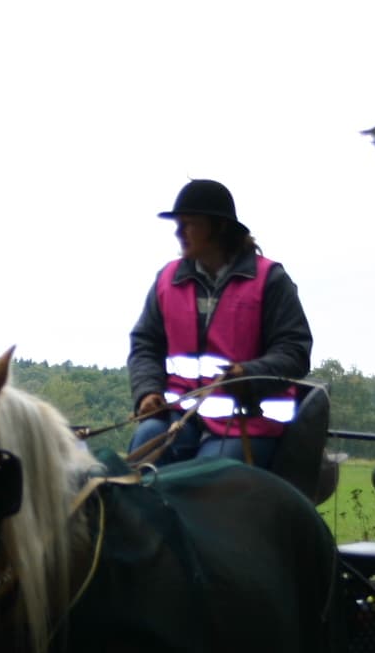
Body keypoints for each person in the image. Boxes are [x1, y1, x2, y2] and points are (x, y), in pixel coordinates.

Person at [126, 178, 313, 471]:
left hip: (248, 420)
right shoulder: (166, 280)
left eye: (189, 224)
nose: (179, 232)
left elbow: (294, 352)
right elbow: (145, 345)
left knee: (205, 477)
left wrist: (248, 374)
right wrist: (148, 392)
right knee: (144, 446)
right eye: (178, 224)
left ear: (220, 227)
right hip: (180, 415)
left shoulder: (270, 280)